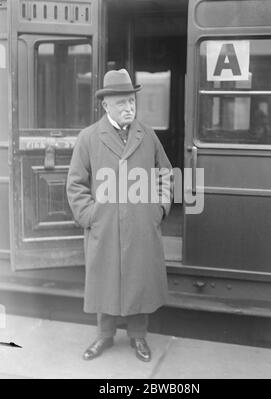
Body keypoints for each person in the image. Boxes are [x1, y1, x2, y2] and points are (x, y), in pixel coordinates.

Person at [66, 69, 173, 362]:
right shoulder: (88, 138)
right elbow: (75, 184)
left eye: (132, 102)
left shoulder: (147, 135)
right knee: (105, 280)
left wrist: (159, 208)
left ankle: (139, 337)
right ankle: (104, 337)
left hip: (141, 225)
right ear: (106, 106)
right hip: (105, 226)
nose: (129, 108)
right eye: (122, 103)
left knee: (139, 280)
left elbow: (165, 173)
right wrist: (92, 216)